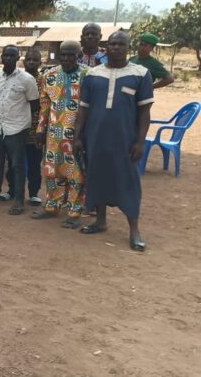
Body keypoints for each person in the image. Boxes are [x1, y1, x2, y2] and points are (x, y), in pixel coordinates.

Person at [74, 31, 153, 251]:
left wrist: (140, 142)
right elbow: (83, 109)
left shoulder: (140, 74)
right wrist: (78, 136)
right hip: (95, 137)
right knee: (97, 177)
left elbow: (145, 112)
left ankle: (134, 230)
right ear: (105, 47)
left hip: (125, 140)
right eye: (111, 44)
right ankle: (100, 221)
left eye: (120, 44)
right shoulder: (93, 74)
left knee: (129, 182)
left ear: (128, 47)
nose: (115, 47)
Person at [30, 41, 89, 228]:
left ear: (79, 55)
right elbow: (45, 106)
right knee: (51, 170)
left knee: (76, 174)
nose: (66, 58)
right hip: (53, 135)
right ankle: (52, 205)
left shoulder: (89, 76)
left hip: (77, 135)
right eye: (63, 54)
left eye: (71, 55)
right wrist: (40, 130)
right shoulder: (49, 76)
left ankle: (74, 210)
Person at [0, 45, 39, 215]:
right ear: (1, 57)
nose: (8, 58)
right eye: (6, 55)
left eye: (12, 55)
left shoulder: (27, 80)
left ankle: (18, 200)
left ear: (18, 58)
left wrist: (21, 120)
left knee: (17, 165)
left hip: (17, 129)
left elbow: (34, 105)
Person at [1, 49, 44, 204]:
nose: (31, 62)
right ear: (23, 61)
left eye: (35, 60)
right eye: (28, 59)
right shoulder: (15, 78)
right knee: (13, 163)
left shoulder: (44, 81)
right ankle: (12, 191)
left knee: (34, 163)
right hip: (16, 129)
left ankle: (33, 193)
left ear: (41, 63)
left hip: (35, 130)